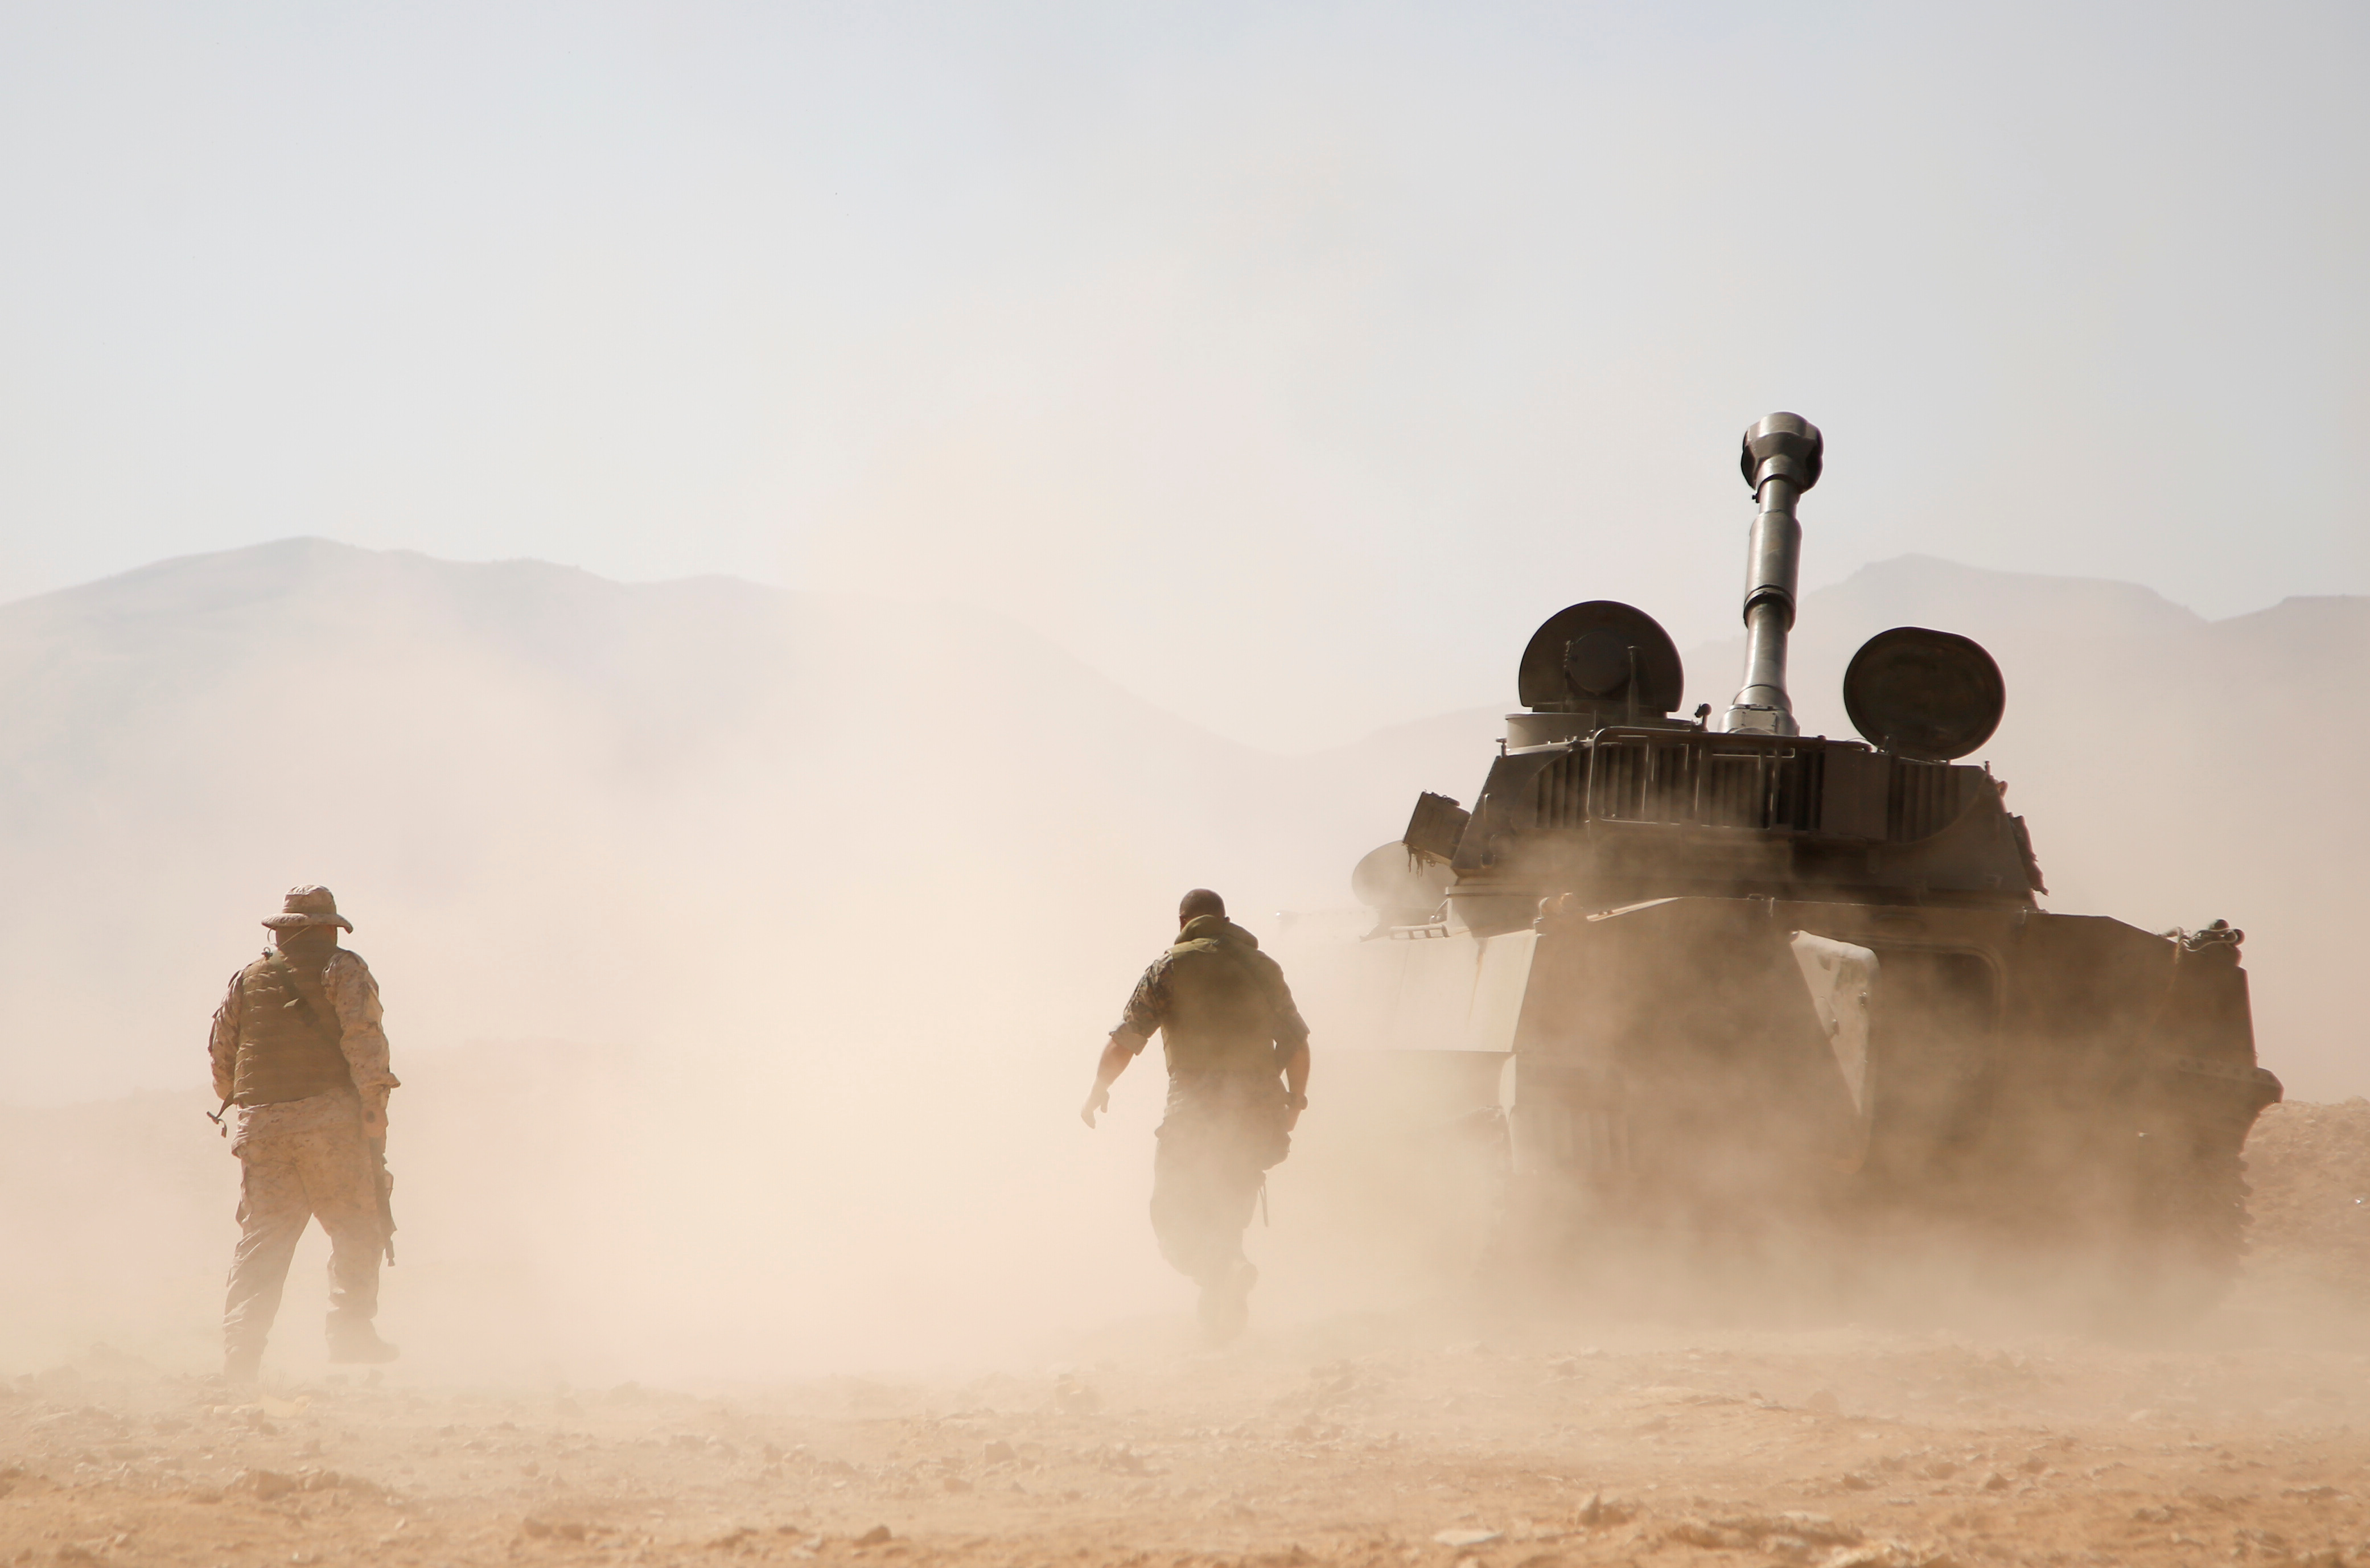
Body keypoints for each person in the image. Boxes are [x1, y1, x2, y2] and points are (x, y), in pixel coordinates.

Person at [1081, 888, 1310, 1342]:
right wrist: (1294, 1103)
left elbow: (1126, 1039)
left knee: (1174, 1217)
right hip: (1259, 1113)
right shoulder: (1262, 967)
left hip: (1197, 1112)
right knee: (1227, 1214)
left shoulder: (1170, 966)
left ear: (1183, 920)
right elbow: (1298, 1043)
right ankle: (1222, 1316)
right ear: (1226, 919)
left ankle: (1224, 1269)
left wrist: (1098, 1089)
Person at [207, 885, 400, 1381]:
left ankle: (241, 1352)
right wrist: (374, 1105)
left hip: (261, 1129)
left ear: (283, 931)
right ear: (326, 928)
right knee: (358, 1223)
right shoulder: (344, 969)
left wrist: (253, 1105)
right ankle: (351, 1334)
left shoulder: (247, 980)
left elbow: (223, 1059)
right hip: (328, 1123)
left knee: (263, 1240)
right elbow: (364, 1039)